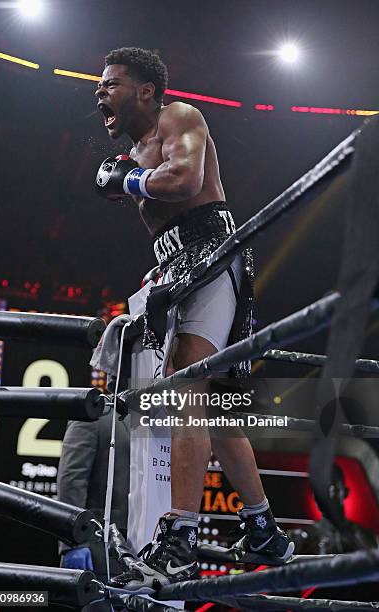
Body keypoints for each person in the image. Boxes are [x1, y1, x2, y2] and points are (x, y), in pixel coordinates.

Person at [94, 47, 294, 594]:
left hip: (213, 253)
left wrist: (130, 183)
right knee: (215, 410)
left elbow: (184, 179)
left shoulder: (178, 118)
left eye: (111, 83)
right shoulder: (137, 150)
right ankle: (263, 529)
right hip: (179, 266)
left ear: (144, 90)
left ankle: (179, 538)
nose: (99, 93)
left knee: (186, 385)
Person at [57, 413, 130, 588]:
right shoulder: (93, 416)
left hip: (142, 548)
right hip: (96, 544)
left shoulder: (157, 420)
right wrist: (73, 543)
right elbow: (72, 480)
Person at [287, 464, 378, 555]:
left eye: (335, 489)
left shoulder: (363, 537)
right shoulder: (302, 538)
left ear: (345, 492)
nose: (331, 495)